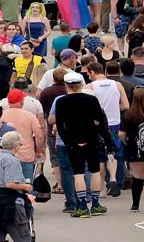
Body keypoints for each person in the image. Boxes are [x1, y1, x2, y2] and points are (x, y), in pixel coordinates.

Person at [51, 71, 109, 217]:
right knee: (94, 170)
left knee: (78, 173)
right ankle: (95, 203)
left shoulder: (61, 101)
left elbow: (60, 124)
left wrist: (68, 141)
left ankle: (82, 206)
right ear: (81, 84)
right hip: (91, 138)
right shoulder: (91, 99)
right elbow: (100, 119)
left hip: (72, 140)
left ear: (66, 86)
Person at [0, 131, 33, 242]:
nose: (20, 146)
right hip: (9, 204)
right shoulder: (12, 160)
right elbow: (10, 184)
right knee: (23, 238)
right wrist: (25, 187)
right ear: (15, 145)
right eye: (20, 144)